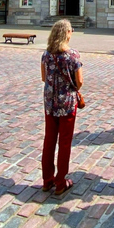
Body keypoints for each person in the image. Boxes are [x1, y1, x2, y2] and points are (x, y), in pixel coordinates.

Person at [40, 19, 83, 195]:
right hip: (66, 104)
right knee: (64, 142)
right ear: (66, 33)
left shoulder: (46, 54)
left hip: (50, 103)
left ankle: (47, 180)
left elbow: (44, 78)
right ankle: (60, 182)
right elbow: (79, 81)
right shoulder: (72, 55)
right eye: (71, 30)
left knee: (49, 140)